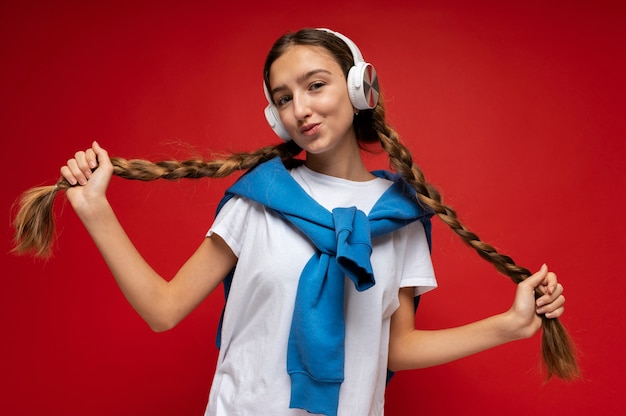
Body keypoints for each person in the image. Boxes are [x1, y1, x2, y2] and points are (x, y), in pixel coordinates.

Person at [12, 28, 577, 416]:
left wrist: (509, 324)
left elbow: (392, 348)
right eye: (283, 98)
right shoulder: (258, 201)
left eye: (315, 85)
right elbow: (164, 310)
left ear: (358, 89)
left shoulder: (401, 218)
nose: (300, 108)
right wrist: (96, 211)